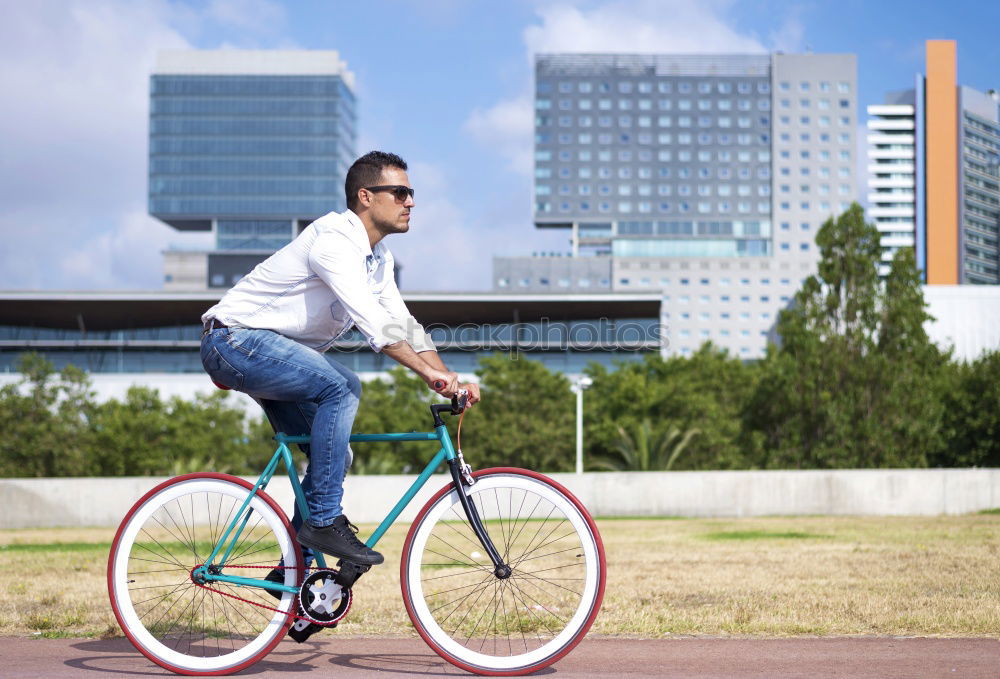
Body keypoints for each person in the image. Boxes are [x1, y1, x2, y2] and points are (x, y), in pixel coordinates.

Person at [200, 151, 481, 571]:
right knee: (343, 386)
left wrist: (443, 374)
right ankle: (325, 522)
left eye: (412, 193)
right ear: (366, 196)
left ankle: (296, 575)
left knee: (334, 455)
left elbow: (404, 324)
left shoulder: (378, 259)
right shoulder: (335, 240)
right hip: (234, 341)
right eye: (400, 192)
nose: (411, 202)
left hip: (271, 352)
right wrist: (427, 374)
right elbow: (373, 323)